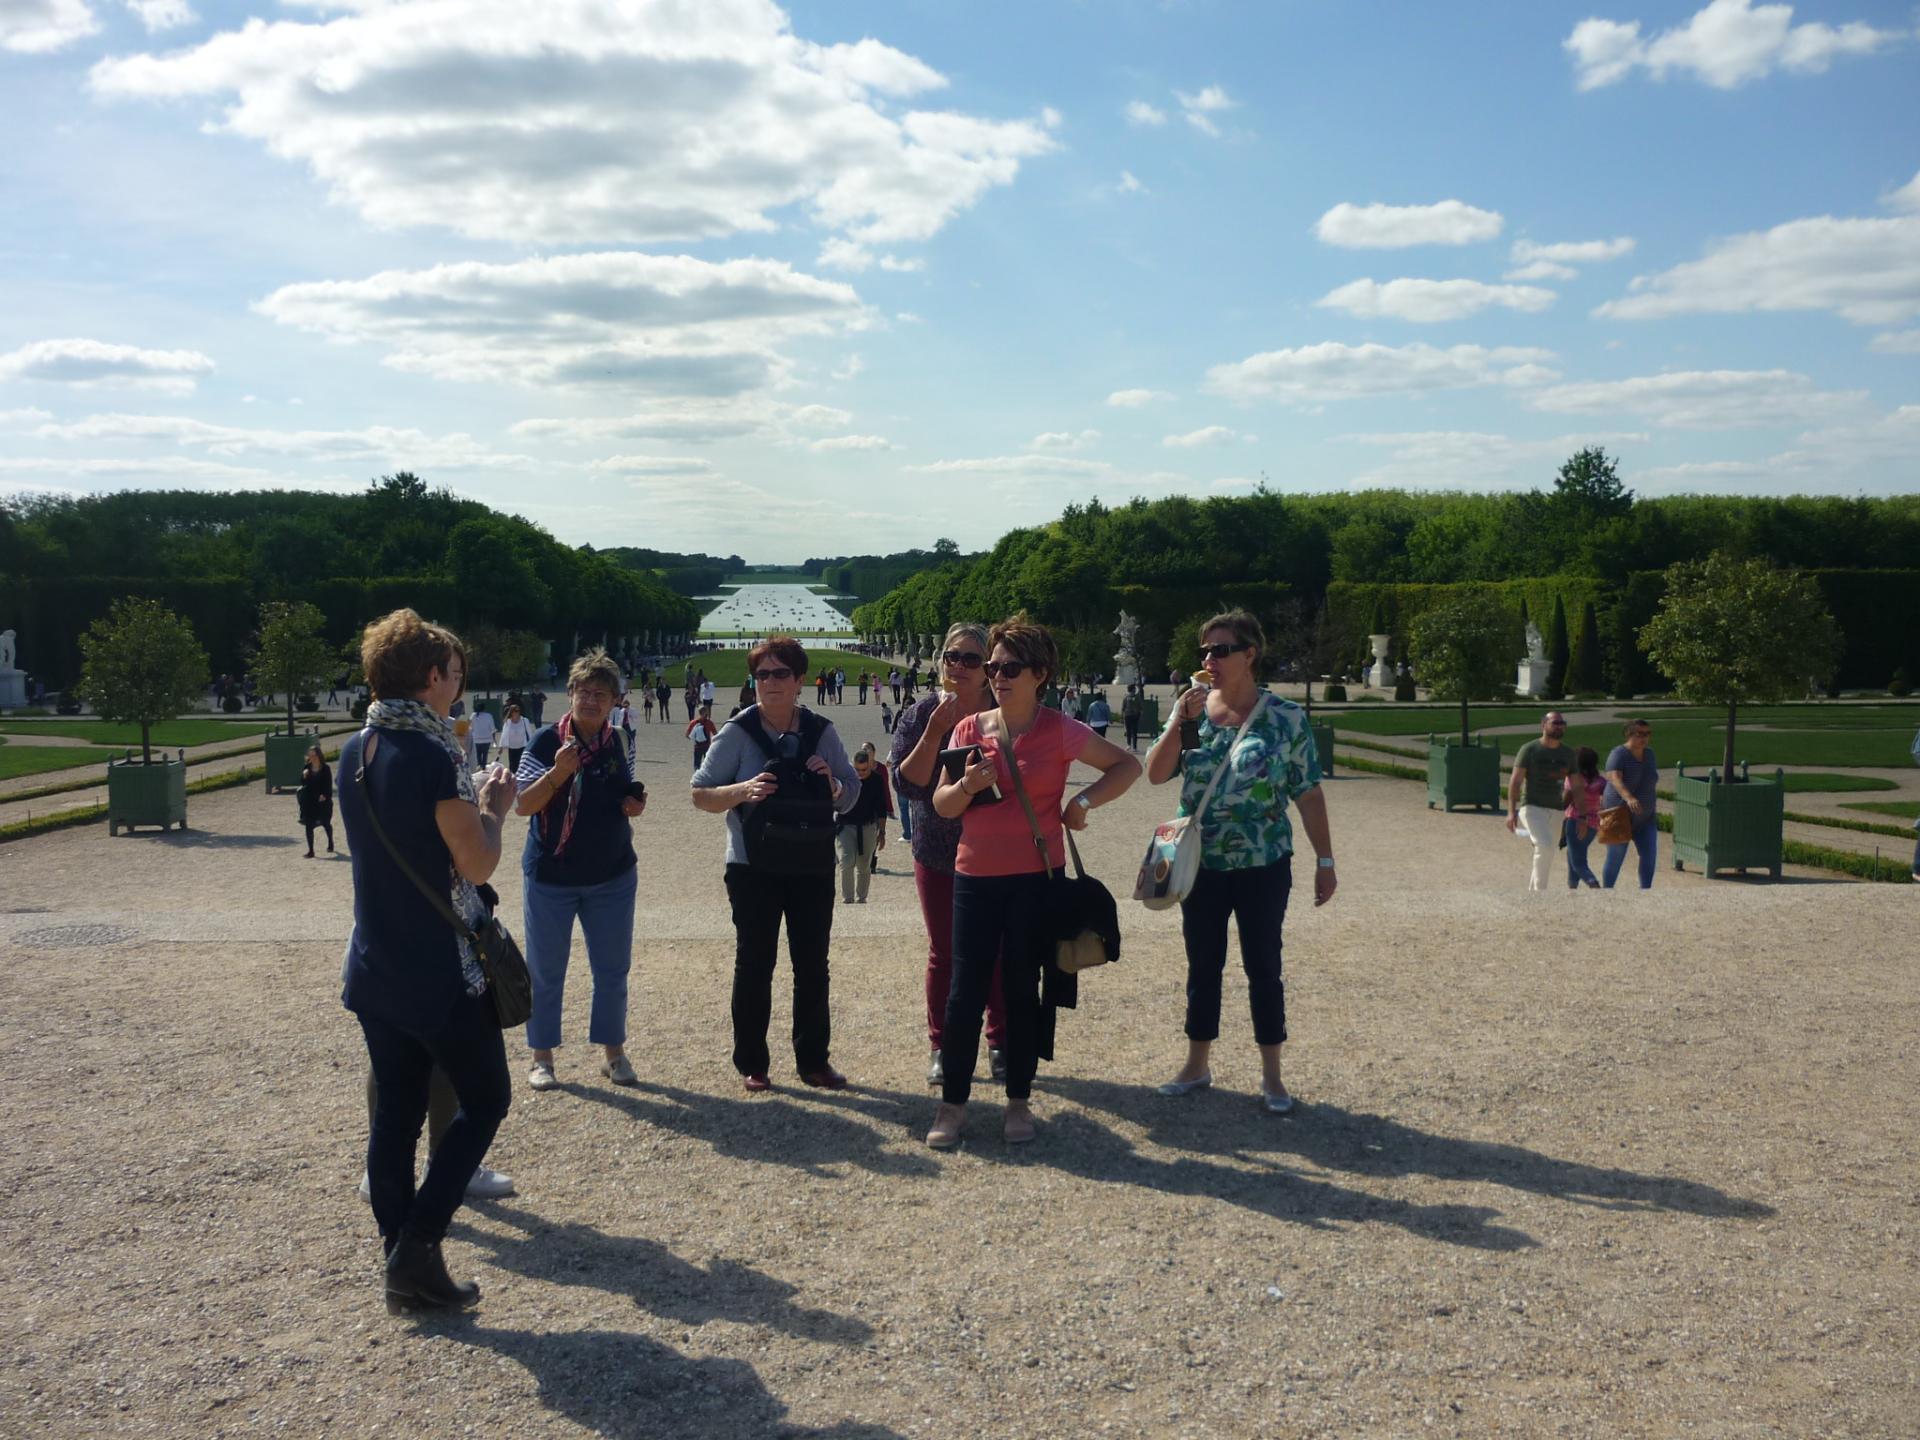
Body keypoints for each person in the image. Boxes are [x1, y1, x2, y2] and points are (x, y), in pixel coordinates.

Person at [337, 608, 516, 1313]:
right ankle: (417, 1244)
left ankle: (401, 1263)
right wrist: (495, 807)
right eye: (453, 674)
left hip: (374, 960)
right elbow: (474, 864)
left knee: (396, 1118)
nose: (457, 686)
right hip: (437, 969)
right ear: (432, 678)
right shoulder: (433, 755)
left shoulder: (358, 747)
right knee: (487, 1100)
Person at [925, 614, 1142, 1149]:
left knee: (1022, 987)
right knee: (964, 992)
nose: (998, 675)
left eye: (1010, 667)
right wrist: (970, 787)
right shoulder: (968, 729)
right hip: (974, 875)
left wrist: (1081, 802)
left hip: (1033, 877)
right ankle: (953, 1104)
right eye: (995, 666)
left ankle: (1018, 1100)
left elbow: (1126, 765)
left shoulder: (1060, 730)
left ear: (1040, 673)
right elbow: (942, 804)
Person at [1146, 610, 1336, 1116]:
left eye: (1220, 650)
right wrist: (1180, 723)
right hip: (1200, 863)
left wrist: (1326, 859)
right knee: (1202, 966)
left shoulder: (1285, 719)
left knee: (1264, 968)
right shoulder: (1193, 711)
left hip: (1262, 862)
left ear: (1250, 654)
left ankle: (1272, 1075)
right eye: (1205, 650)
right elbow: (1156, 773)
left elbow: (1309, 794)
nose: (1209, 659)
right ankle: (1196, 1064)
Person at [692, 637, 861, 1092]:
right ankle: (752, 1061)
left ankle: (813, 1061)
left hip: (811, 863)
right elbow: (700, 793)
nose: (771, 682)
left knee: (812, 965)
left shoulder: (822, 730)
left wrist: (835, 789)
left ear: (800, 680)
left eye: (781, 673)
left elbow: (851, 789)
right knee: (755, 962)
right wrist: (742, 790)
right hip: (753, 865)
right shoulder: (736, 732)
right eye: (762, 674)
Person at [513, 650, 647, 1091]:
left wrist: (634, 803)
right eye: (584, 692)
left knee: (612, 969)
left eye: (601, 694)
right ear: (569, 694)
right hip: (553, 874)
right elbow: (523, 805)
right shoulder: (545, 743)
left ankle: (613, 1053)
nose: (591, 701)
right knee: (547, 970)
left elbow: (625, 789)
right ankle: (542, 1058)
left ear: (613, 702)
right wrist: (556, 775)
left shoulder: (620, 740)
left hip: (612, 872)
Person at [891, 624, 1009, 1085]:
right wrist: (935, 731)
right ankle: (942, 1046)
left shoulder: (1006, 712)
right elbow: (905, 784)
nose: (957, 666)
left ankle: (1000, 1040)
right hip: (939, 850)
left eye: (970, 659)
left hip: (997, 848)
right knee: (945, 952)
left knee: (998, 950)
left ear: (988, 670)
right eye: (951, 657)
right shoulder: (923, 711)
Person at [1507, 711, 1575, 892]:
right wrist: (1511, 811)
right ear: (1543, 725)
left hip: (1557, 809)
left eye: (1562, 723)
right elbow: (1515, 781)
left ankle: (1533, 892)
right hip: (1532, 806)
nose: (1559, 726)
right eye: (1555, 723)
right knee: (1544, 846)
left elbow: (1577, 786)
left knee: (1546, 851)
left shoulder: (1568, 753)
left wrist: (1582, 814)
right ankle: (1540, 894)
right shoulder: (1529, 749)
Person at [1601, 718, 1660, 890]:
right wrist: (1629, 797)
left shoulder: (1650, 754)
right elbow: (1614, 778)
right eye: (1640, 734)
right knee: (1616, 856)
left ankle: (1645, 892)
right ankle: (1607, 893)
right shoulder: (1619, 754)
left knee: (1649, 855)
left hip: (1645, 816)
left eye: (1647, 734)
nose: (1644, 738)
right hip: (1618, 815)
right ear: (1629, 734)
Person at [835, 744, 891, 903]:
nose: (860, 774)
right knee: (846, 861)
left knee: (864, 865)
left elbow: (881, 808)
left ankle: (862, 898)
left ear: (870, 766)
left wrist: (882, 832)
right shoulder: (845, 779)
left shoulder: (876, 780)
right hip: (845, 826)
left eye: (864, 770)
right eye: (857, 770)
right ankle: (848, 898)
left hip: (867, 827)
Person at [1564, 746, 1605, 890]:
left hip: (1575, 820)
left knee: (1578, 862)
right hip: (1594, 824)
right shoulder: (1600, 781)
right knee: (1573, 855)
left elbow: (1566, 801)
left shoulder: (1573, 778)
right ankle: (1572, 888)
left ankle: (1594, 885)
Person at [298, 743, 335, 857]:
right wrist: (304, 776)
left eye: (314, 755)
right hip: (310, 801)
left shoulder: (325, 768)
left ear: (319, 756)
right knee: (309, 826)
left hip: (323, 801)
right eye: (311, 755)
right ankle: (311, 851)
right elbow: (303, 784)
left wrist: (324, 795)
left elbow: (328, 785)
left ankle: (330, 842)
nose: (312, 757)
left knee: (326, 823)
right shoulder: (307, 768)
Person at [500, 703, 533, 774]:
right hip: (512, 747)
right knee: (512, 766)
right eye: (515, 711)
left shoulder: (525, 720)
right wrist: (501, 747)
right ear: (511, 713)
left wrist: (531, 744)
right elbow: (504, 734)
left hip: (522, 746)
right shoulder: (508, 722)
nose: (517, 713)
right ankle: (513, 779)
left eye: (518, 711)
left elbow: (529, 733)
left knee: (521, 765)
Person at [688, 702, 718, 773]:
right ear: (706, 713)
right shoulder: (709, 723)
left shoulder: (694, 722)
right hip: (707, 746)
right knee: (707, 763)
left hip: (697, 746)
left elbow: (687, 735)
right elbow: (715, 734)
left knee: (697, 764)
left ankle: (697, 776)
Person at [1122, 685, 1143, 750]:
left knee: (1129, 731)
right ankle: (1134, 746)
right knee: (1134, 731)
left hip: (1128, 715)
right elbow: (1141, 707)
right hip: (1134, 715)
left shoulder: (1126, 697)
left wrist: (1122, 715)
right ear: (1133, 690)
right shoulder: (1137, 697)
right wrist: (1141, 715)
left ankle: (1129, 745)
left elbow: (1123, 707)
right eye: (1134, 689)